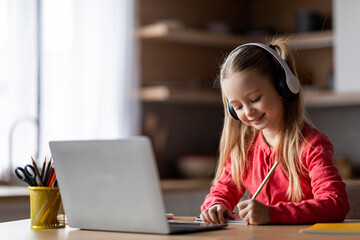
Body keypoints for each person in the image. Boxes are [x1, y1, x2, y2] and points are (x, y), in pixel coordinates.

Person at [200, 38, 350, 225]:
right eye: (237, 106)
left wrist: (272, 214)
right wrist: (216, 205)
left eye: (255, 98)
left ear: (283, 87)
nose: (247, 112)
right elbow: (221, 192)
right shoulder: (244, 150)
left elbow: (336, 205)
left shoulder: (311, 145)